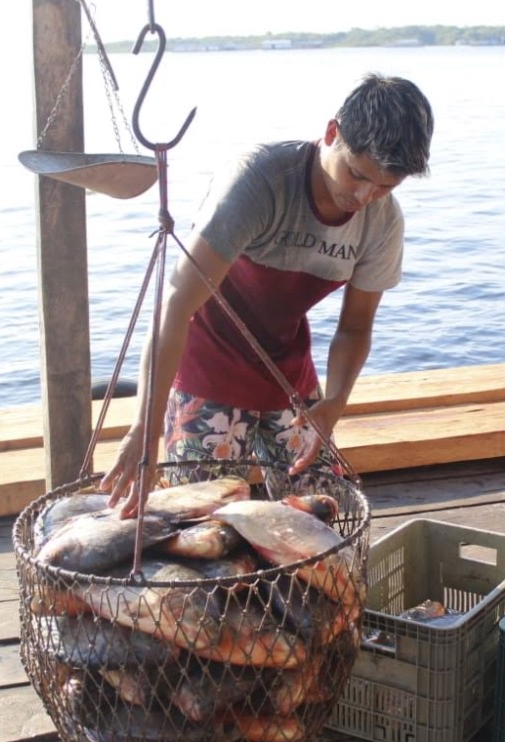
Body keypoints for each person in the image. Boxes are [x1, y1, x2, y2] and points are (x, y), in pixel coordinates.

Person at [101, 73, 434, 515]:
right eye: (356, 173)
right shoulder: (260, 182)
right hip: (208, 368)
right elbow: (176, 306)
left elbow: (355, 327)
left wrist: (334, 403)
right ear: (332, 133)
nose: (364, 195)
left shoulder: (382, 222)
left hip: (288, 373)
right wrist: (143, 426)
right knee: (204, 523)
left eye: (386, 186)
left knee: (322, 514)